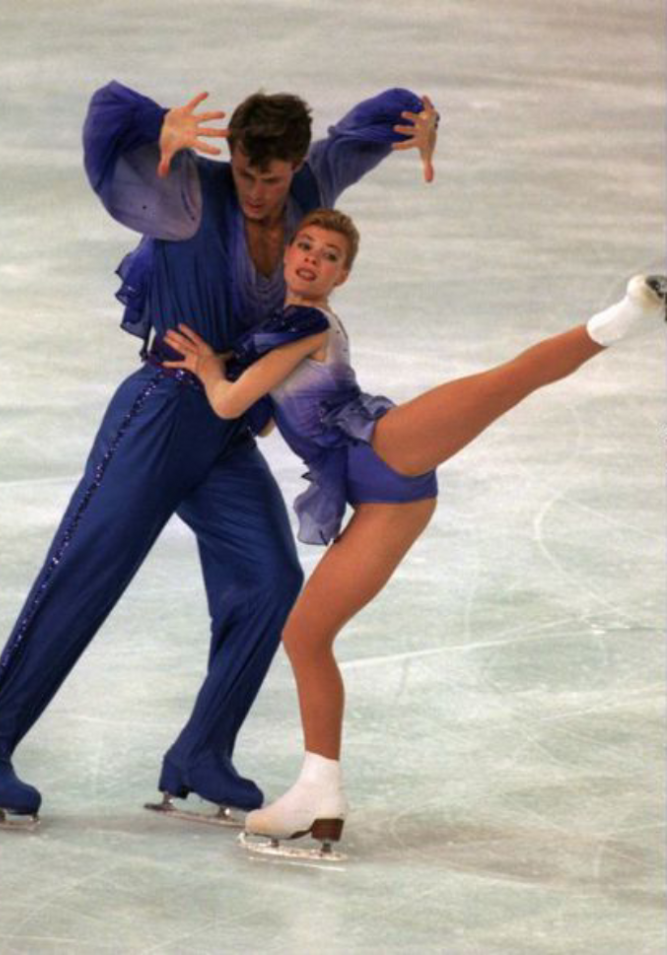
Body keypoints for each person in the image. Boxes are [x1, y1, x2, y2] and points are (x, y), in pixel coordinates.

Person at [0, 81, 440, 825]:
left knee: (269, 579)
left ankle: (203, 752)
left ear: (294, 165)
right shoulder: (184, 190)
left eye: (272, 178)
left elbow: (376, 118)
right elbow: (105, 116)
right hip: (162, 412)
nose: (259, 193)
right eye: (245, 173)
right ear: (229, 154)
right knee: (84, 573)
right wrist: (150, 121)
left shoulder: (311, 184)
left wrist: (422, 118)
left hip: (225, 433)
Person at [162, 207, 666, 851]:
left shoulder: (308, 321)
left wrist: (210, 368)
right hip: (380, 499)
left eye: (330, 255)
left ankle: (629, 315)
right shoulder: (274, 326)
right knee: (306, 633)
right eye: (306, 246)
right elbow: (263, 417)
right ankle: (321, 790)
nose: (313, 258)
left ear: (343, 275)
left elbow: (231, 401)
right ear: (288, 252)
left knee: (506, 382)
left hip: (384, 448)